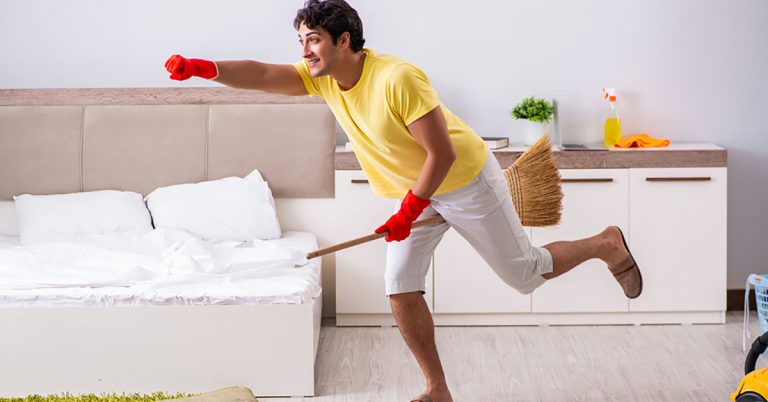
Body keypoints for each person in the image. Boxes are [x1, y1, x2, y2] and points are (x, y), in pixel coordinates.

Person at [164, 1, 642, 401]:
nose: (304, 51)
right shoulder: (323, 78)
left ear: (344, 40)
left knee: (526, 274)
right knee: (399, 286)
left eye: (312, 40)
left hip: (464, 180)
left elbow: (443, 151)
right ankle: (437, 389)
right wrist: (206, 69)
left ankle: (605, 243)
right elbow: (265, 74)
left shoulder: (398, 79)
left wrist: (410, 210)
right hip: (413, 195)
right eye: (302, 42)